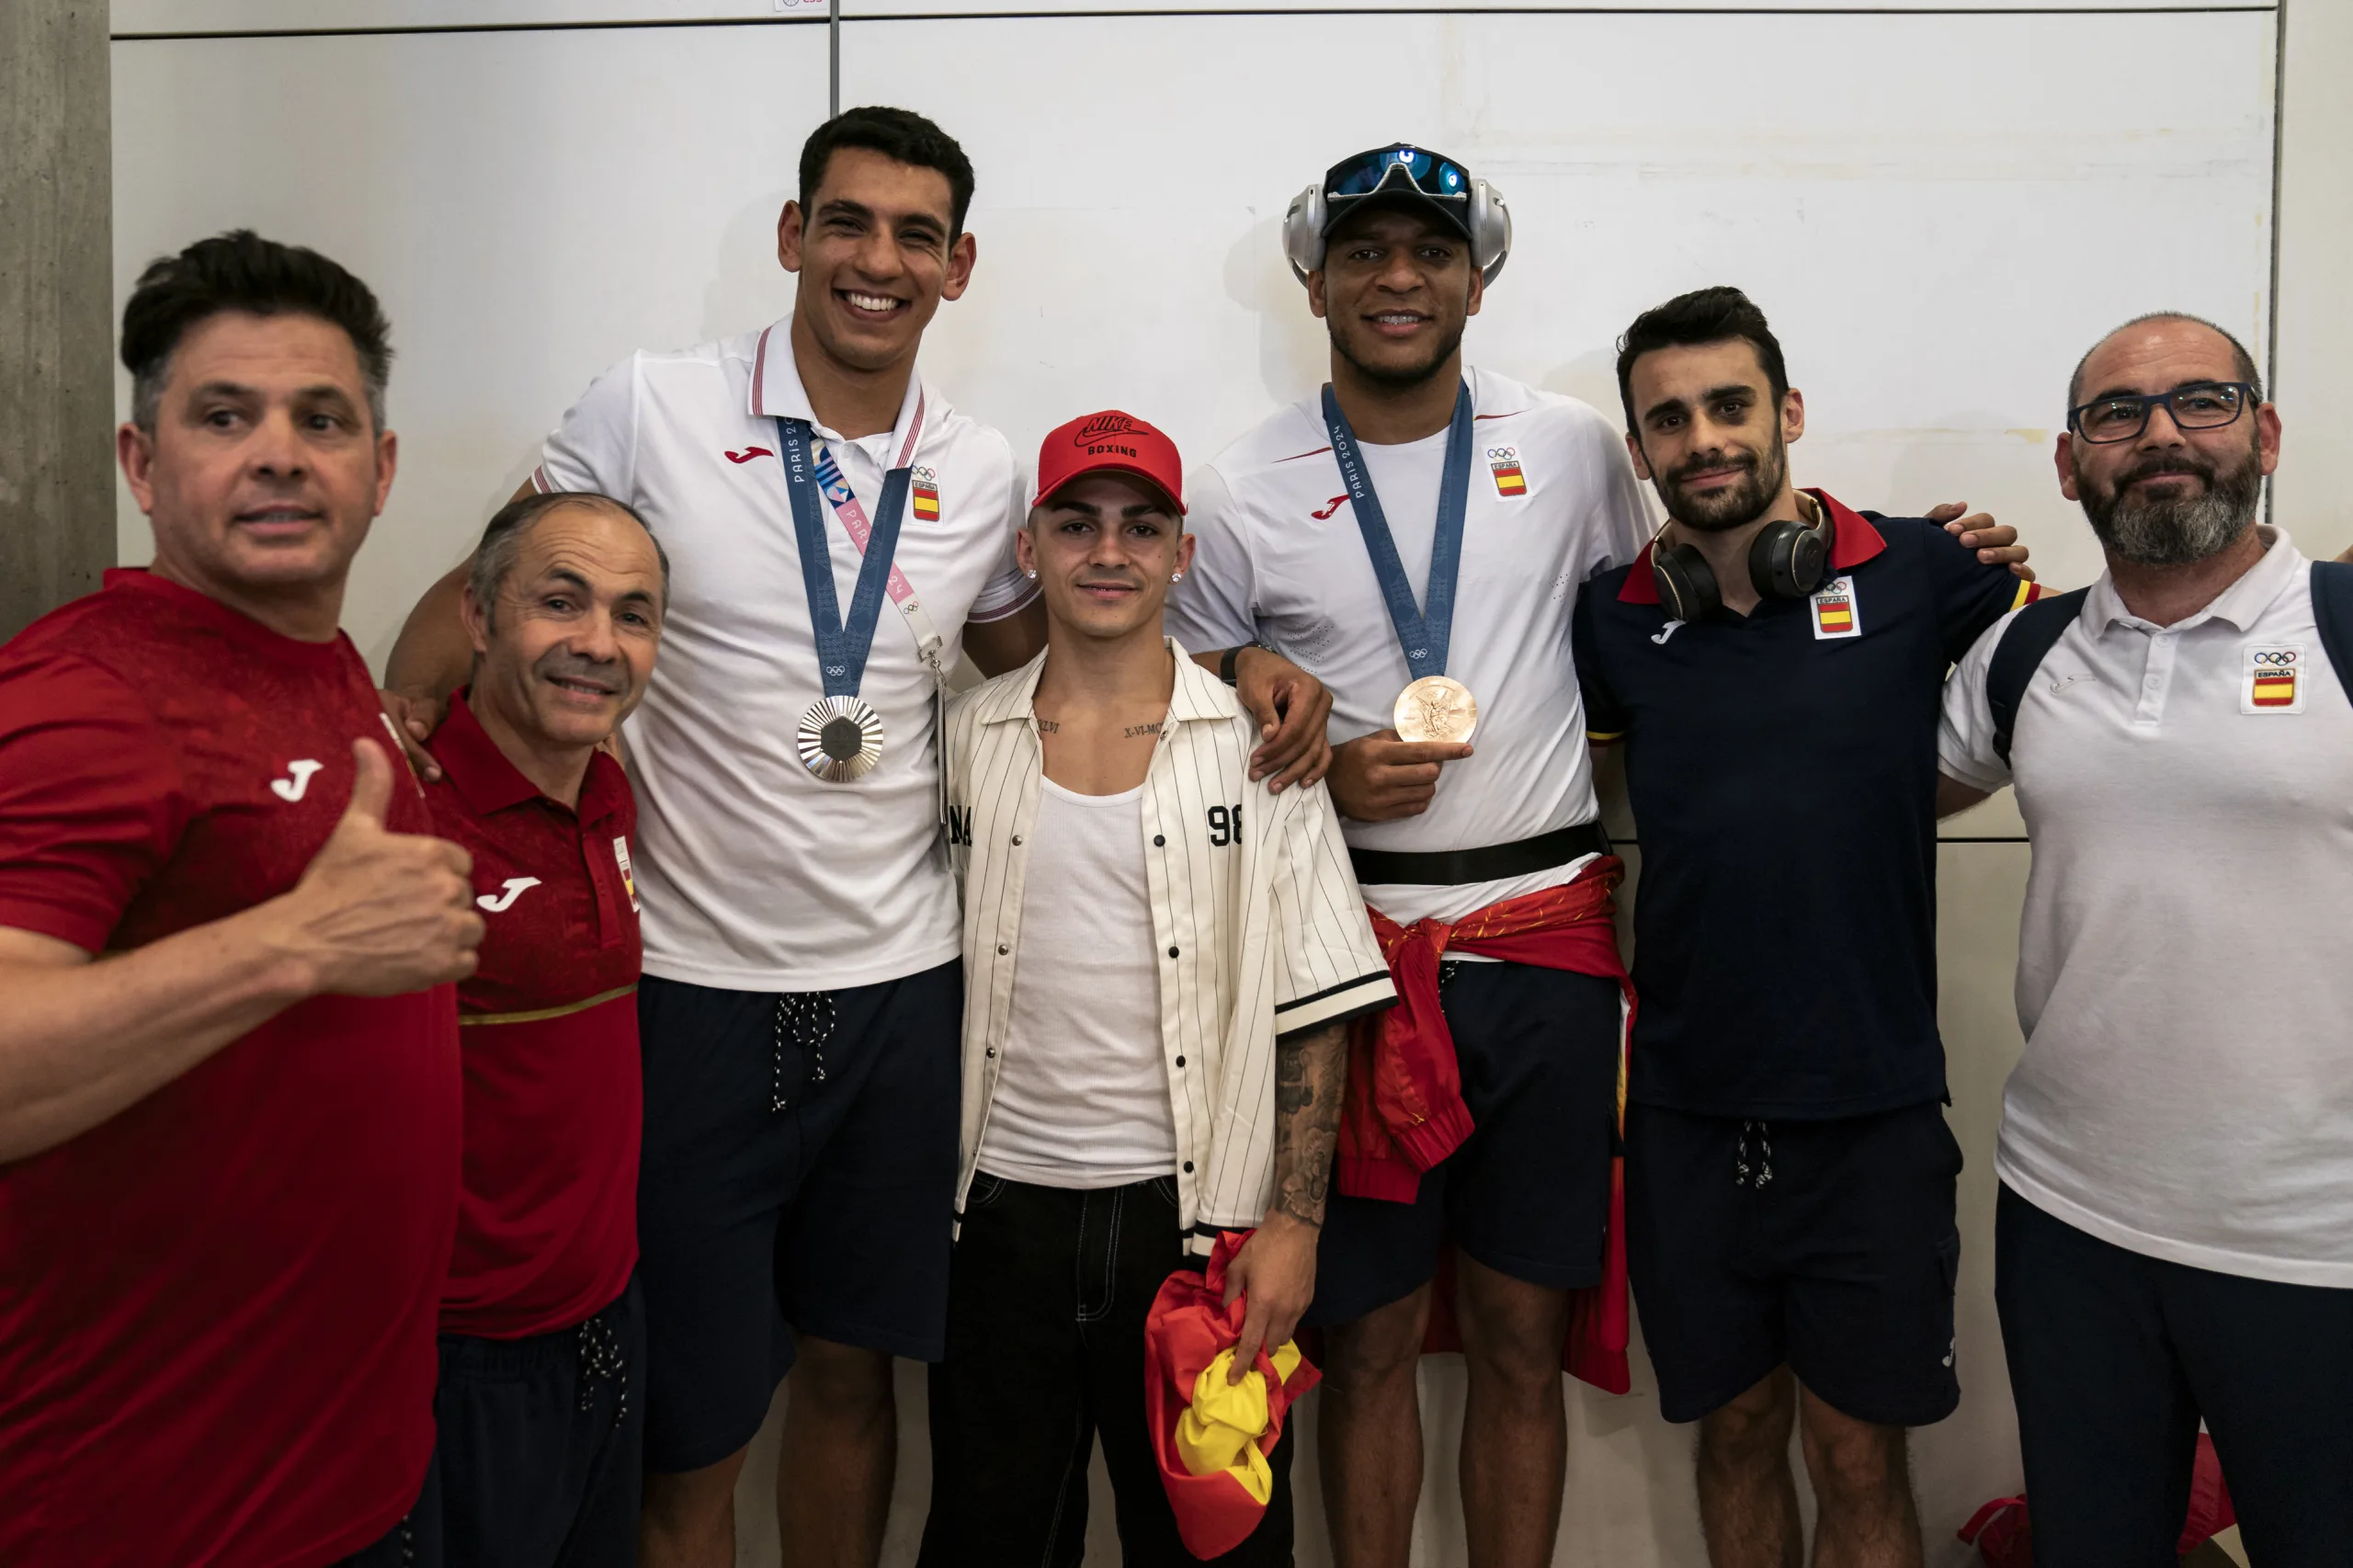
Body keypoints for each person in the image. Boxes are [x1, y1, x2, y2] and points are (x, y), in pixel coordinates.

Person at [382, 108, 1333, 1568]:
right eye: (847, 222)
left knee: (854, 1377)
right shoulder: (651, 405)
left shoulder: (981, 464)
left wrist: (1247, 664)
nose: (874, 260)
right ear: (793, 235)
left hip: (903, 997)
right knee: (695, 1420)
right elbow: (472, 602)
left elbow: (1067, 651)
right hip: (695, 988)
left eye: (912, 235)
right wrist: (389, 766)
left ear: (957, 267)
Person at [1168, 142, 1654, 1568]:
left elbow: (1637, 637)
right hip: (1345, 953)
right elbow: (1190, 684)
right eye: (1367, 252)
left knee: (1519, 1339)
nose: (1398, 278)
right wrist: (1273, 689)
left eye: (1429, 251)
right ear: (1314, 280)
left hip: (1545, 936)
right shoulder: (1243, 480)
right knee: (1362, 1340)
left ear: (1477, 279)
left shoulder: (1570, 448)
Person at [0, 231, 482, 1568]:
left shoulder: (320, 664)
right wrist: (295, 943)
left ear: (380, 470)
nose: (280, 451)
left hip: (359, 1475)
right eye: (226, 415)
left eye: (321, 418)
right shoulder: (86, 694)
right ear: (141, 462)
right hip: (159, 1517)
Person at [1571, 286, 2035, 1568]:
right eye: (1670, 420)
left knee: (1855, 1452)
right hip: (1684, 1106)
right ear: (1640, 451)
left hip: (1870, 1112)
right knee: (1733, 1433)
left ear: (1789, 412)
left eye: (1730, 406)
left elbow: (2049, 687)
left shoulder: (1928, 570)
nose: (1704, 439)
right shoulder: (1613, 622)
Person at [919, 410, 1394, 1566]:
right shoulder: (967, 734)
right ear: (1027, 548)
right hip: (997, 1220)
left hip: (1195, 1231)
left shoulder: (1258, 740)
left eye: (1141, 526)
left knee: (1212, 1545)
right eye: (1075, 524)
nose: (1108, 551)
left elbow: (1317, 998)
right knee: (992, 1538)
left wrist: (1292, 1222)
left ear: (1182, 553)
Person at [1938, 312, 2353, 1567]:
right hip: (2071, 1220)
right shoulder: (2023, 651)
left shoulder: (2341, 626)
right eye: (2118, 414)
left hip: (2317, 1235)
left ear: (2264, 434)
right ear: (2070, 464)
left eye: (2202, 402)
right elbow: (1845, 797)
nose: (2162, 434)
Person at [419, 491, 671, 1567]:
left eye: (632, 613)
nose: (597, 644)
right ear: (477, 616)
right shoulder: (407, 817)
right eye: (559, 602)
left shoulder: (608, 788)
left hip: (607, 1318)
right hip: (462, 1354)